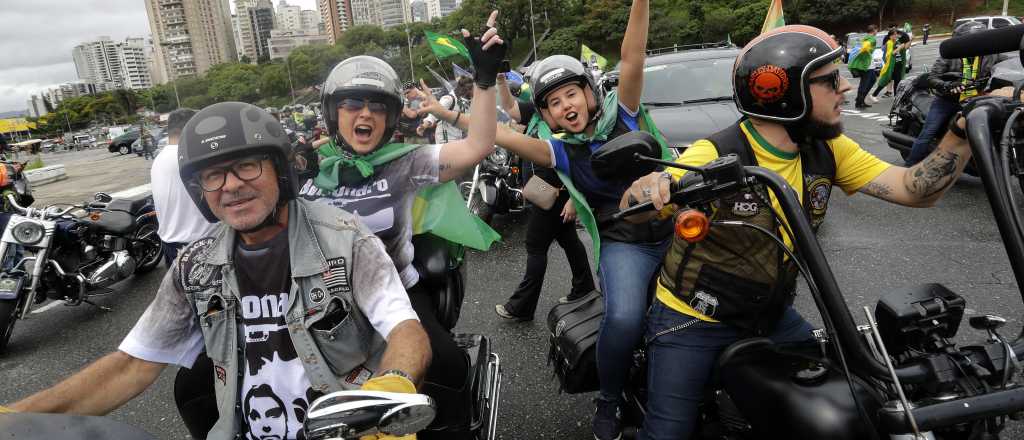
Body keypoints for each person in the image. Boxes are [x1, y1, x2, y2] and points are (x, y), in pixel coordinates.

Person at [620, 24, 1013, 440]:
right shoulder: (714, 154)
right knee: (668, 433)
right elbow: (635, 211)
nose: (845, 86)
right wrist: (646, 188)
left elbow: (913, 189)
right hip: (695, 317)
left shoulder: (826, 147)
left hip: (770, 312)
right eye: (829, 80)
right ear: (783, 92)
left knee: (853, 399)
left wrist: (961, 129)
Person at [1, 101, 432, 440]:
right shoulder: (195, 266)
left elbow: (404, 329)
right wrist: (16, 418)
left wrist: (390, 388)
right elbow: (131, 365)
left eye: (246, 166)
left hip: (344, 431)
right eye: (212, 175)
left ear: (280, 170)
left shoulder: (346, 239)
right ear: (198, 189)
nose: (230, 185)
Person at [418, 1, 660, 438]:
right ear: (545, 115)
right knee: (623, 319)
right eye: (552, 102)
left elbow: (633, 55)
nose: (565, 105)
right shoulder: (560, 150)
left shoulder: (623, 112)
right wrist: (447, 111)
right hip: (626, 241)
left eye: (571, 93)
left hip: (678, 222)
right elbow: (494, 133)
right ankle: (608, 398)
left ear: (589, 92)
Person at [297, 11, 506, 439]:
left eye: (378, 106)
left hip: (398, 291)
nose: (365, 114)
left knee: (446, 363)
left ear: (391, 117)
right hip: (318, 297)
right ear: (334, 113)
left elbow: (479, 145)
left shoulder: (406, 162)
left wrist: (485, 81)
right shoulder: (308, 171)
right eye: (353, 104)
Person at [492, 73, 597, 321]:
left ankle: (521, 307)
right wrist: (500, 82)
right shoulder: (537, 114)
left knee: (535, 246)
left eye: (566, 96)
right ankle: (584, 288)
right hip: (543, 194)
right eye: (551, 100)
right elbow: (509, 107)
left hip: (555, 196)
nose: (560, 105)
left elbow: (580, 162)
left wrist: (574, 199)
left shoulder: (569, 123)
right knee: (570, 241)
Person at [905, 21, 998, 166]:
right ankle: (908, 167)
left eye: (981, 40)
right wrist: (948, 85)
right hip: (947, 101)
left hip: (975, 99)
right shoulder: (950, 55)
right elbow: (932, 77)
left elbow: (1007, 66)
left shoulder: (991, 55)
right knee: (928, 133)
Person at [150, 108, 218, 266]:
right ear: (189, 129)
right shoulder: (185, 158)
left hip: (170, 242)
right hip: (197, 244)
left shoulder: (160, 157)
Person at [421, 76, 473, 144]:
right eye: (473, 89)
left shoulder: (466, 101)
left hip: (459, 138)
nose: (475, 92)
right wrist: (425, 124)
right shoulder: (449, 99)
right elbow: (435, 112)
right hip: (445, 138)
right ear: (467, 89)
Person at [849, 24, 879, 108]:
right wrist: (866, 49)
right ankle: (859, 102)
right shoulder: (871, 39)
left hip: (868, 65)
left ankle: (860, 99)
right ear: (874, 30)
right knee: (864, 83)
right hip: (867, 66)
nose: (877, 32)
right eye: (876, 30)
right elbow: (865, 47)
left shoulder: (864, 38)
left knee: (872, 80)